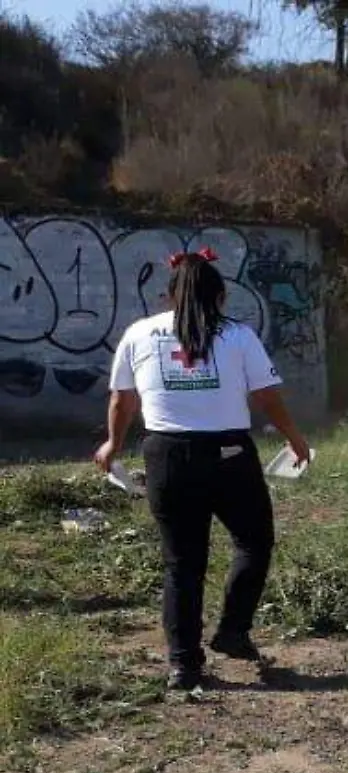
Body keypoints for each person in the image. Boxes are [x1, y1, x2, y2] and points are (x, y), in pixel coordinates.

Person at [93, 249, 311, 691]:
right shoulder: (238, 336)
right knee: (254, 541)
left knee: (182, 565)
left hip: (166, 456)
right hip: (230, 453)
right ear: (220, 295)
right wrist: (293, 436)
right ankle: (232, 630)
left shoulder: (139, 333)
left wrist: (113, 444)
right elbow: (267, 395)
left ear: (171, 293)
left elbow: (122, 399)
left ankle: (183, 666)